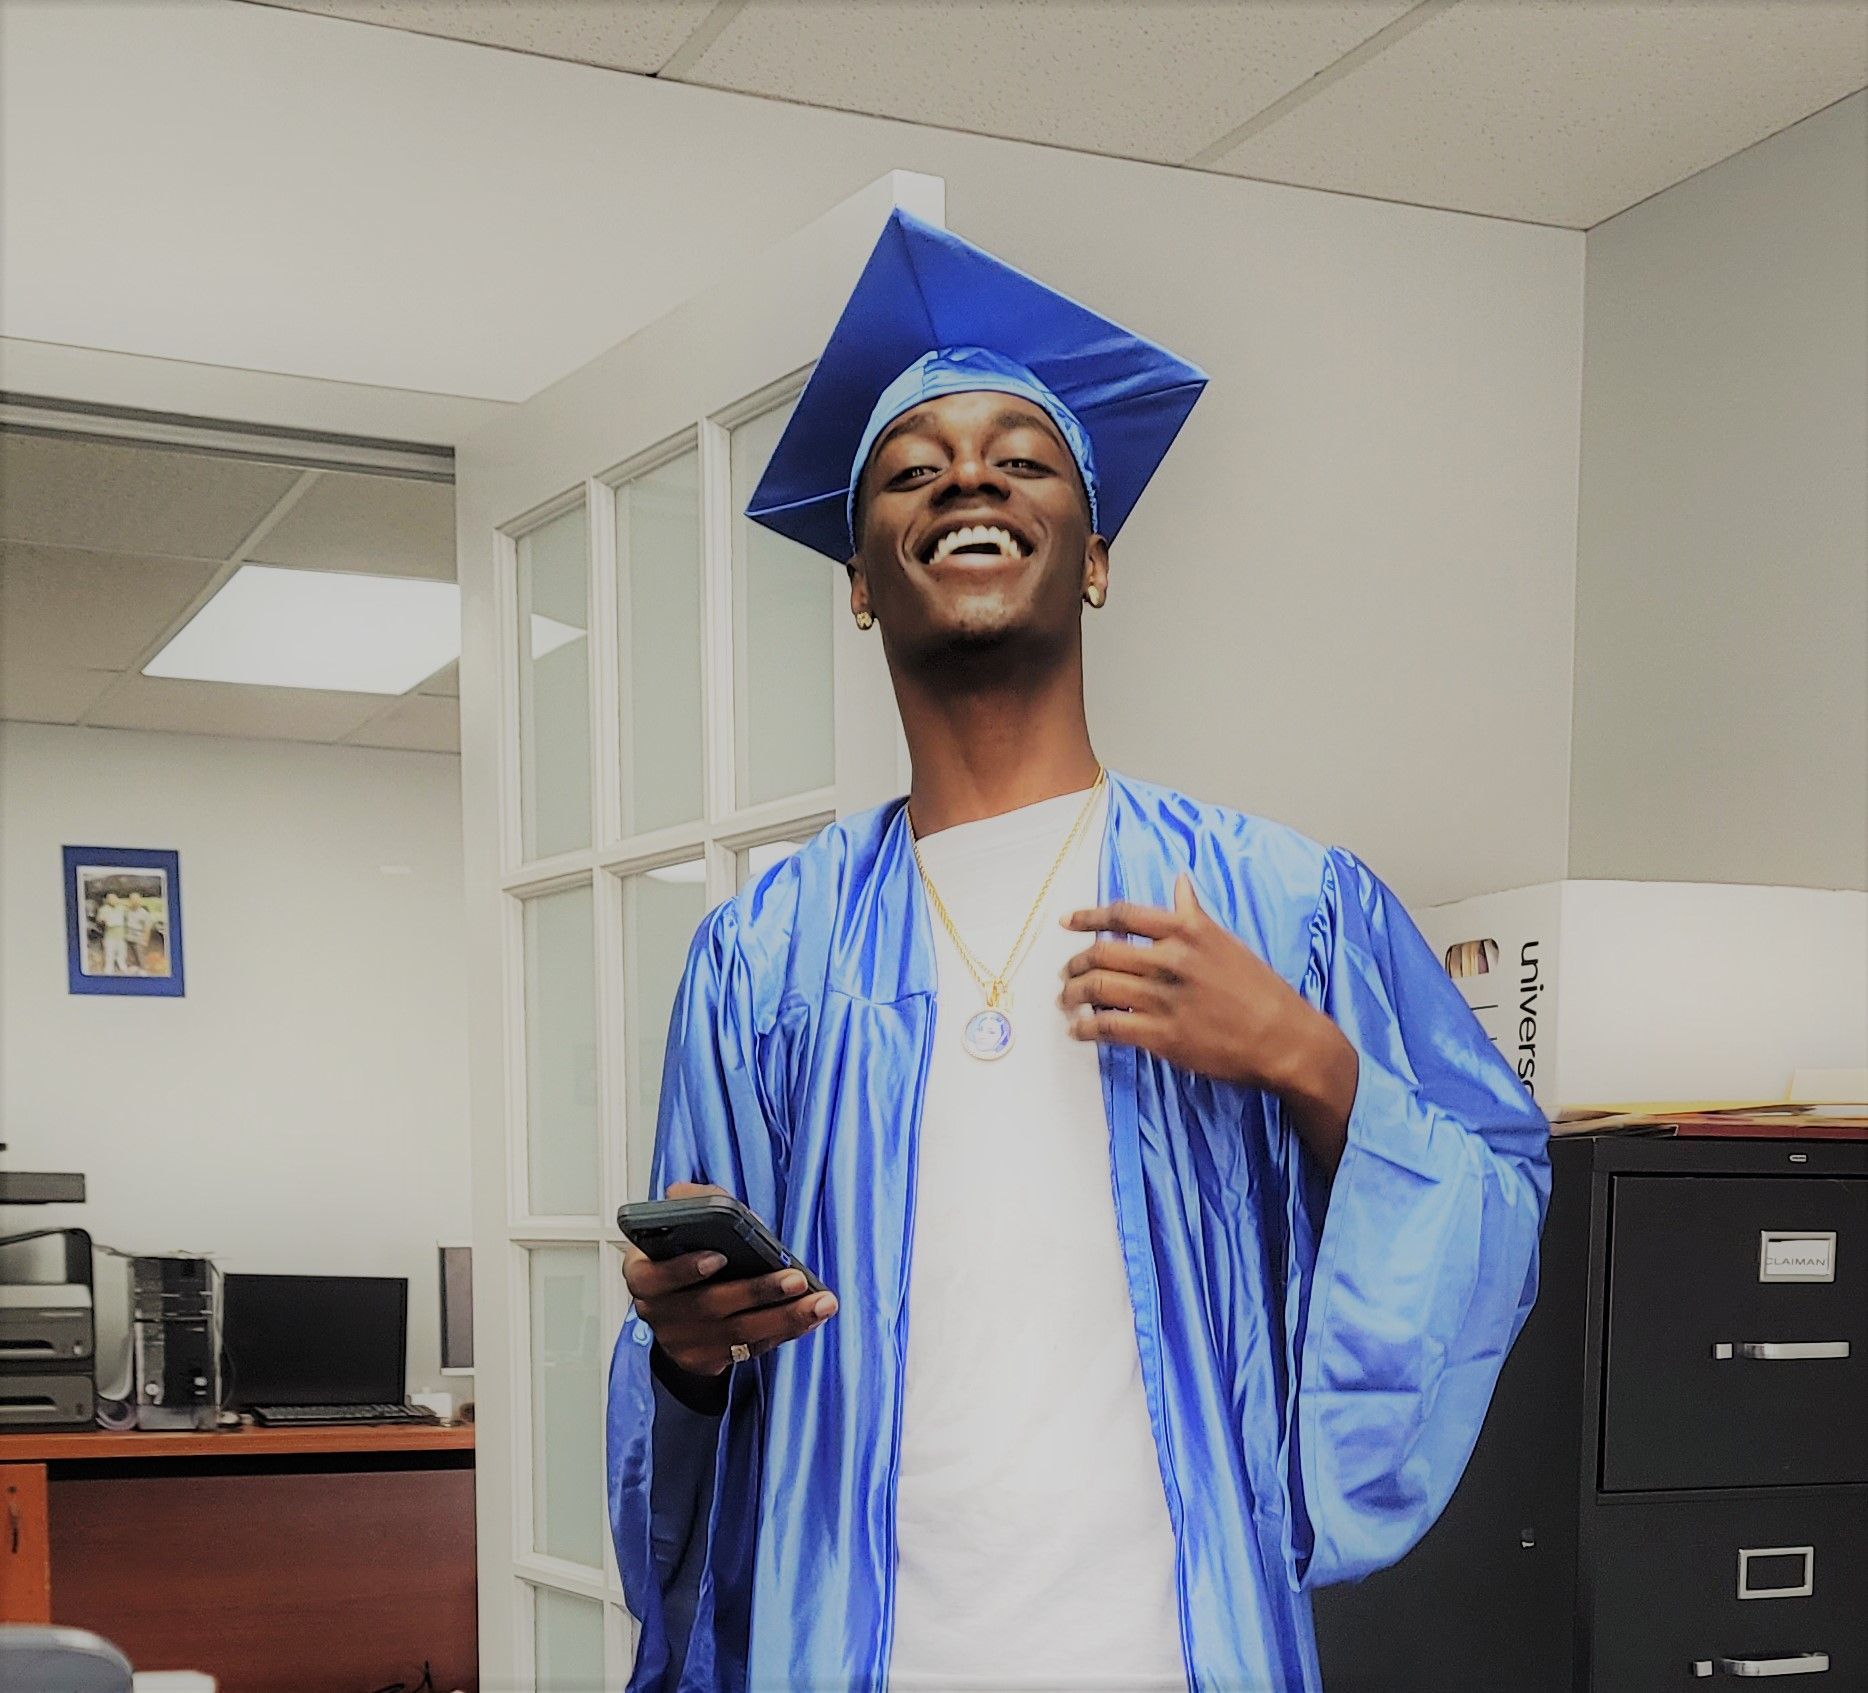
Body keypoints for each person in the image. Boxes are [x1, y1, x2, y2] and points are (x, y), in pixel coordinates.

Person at [608, 211, 1550, 1693]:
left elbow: (1493, 1190)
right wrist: (685, 1346)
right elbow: (695, 1358)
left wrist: (1303, 1054)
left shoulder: (1279, 901)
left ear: (1095, 556)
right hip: (857, 1638)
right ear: (859, 579)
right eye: (911, 471)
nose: (967, 478)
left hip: (1171, 1642)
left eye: (1019, 459)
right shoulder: (763, 955)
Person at [98, 892, 130, 975]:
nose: (112, 900)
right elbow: (99, 920)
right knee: (109, 955)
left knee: (121, 956)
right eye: (110, 898)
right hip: (109, 935)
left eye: (114, 898)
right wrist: (102, 920)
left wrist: (120, 902)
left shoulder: (122, 908)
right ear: (107, 900)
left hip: (121, 935)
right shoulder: (103, 909)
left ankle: (123, 971)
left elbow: (130, 908)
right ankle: (108, 972)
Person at [124, 893, 154, 973]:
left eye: (136, 899)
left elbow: (147, 927)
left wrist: (145, 940)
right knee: (130, 958)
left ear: (139, 900)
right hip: (128, 937)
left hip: (139, 938)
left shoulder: (144, 913)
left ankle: (143, 971)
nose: (134, 901)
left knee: (140, 957)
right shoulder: (127, 911)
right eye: (132, 899)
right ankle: (132, 972)